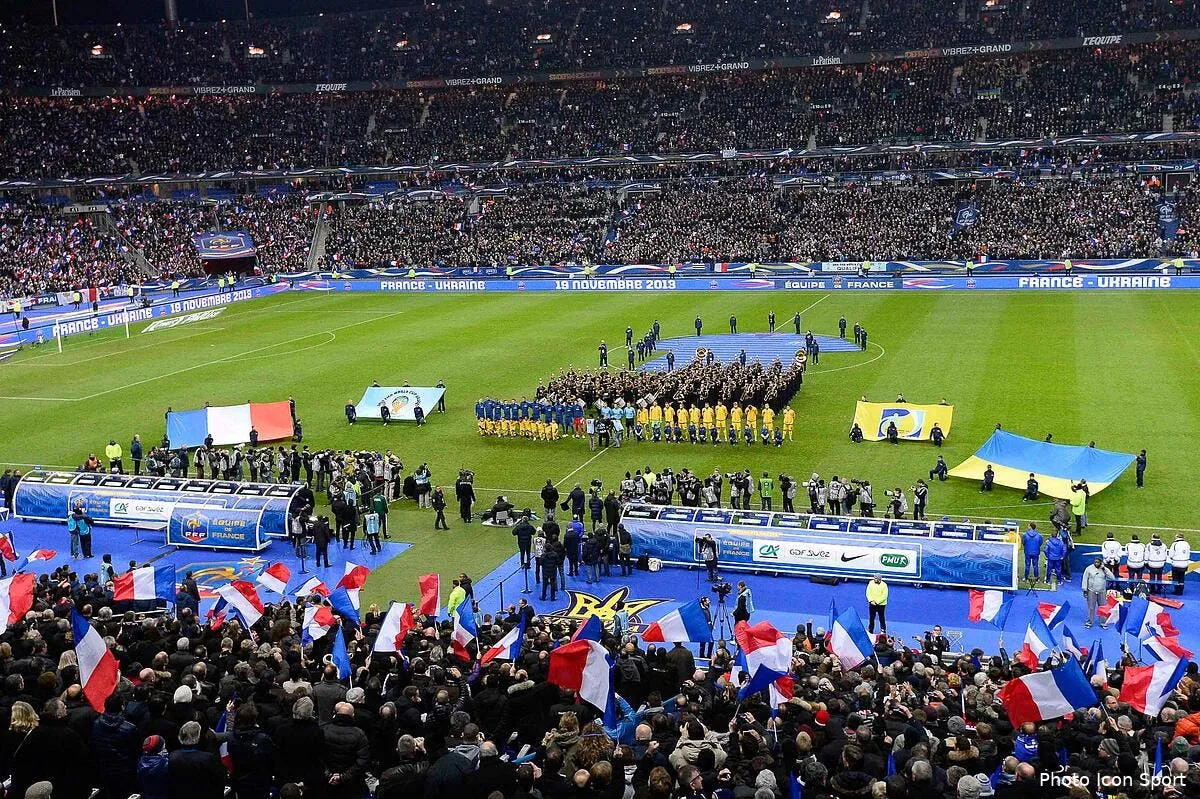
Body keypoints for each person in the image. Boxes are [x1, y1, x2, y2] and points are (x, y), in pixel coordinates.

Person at [1082, 556, 1112, 629]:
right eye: (1095, 562)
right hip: (1091, 591)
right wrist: (1085, 590)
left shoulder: (1104, 569)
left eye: (1098, 562)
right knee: (1091, 607)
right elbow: (1085, 579)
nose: (1096, 563)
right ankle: (1089, 622)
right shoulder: (1088, 569)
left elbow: (1112, 577)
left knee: (1103, 607)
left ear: (1101, 563)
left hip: (1102, 591)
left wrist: (1104, 569)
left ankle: (1103, 622)